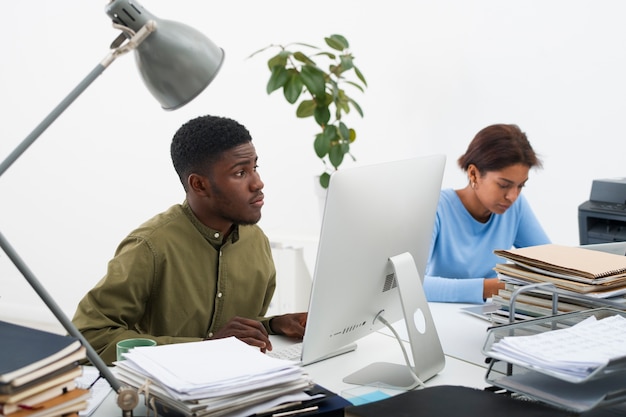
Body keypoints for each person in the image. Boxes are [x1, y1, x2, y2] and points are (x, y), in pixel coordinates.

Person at [72, 115, 307, 365]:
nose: (258, 183)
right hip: (163, 398)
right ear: (199, 185)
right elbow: (87, 338)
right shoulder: (149, 246)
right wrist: (205, 348)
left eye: (255, 168)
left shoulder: (256, 241)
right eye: (240, 172)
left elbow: (233, 332)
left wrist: (273, 324)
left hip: (241, 386)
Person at [423, 123, 550, 304]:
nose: (512, 196)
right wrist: (493, 288)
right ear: (473, 174)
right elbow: (412, 286)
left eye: (521, 186)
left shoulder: (515, 207)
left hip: (490, 314)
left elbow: (552, 265)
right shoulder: (436, 207)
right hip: (442, 317)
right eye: (503, 185)